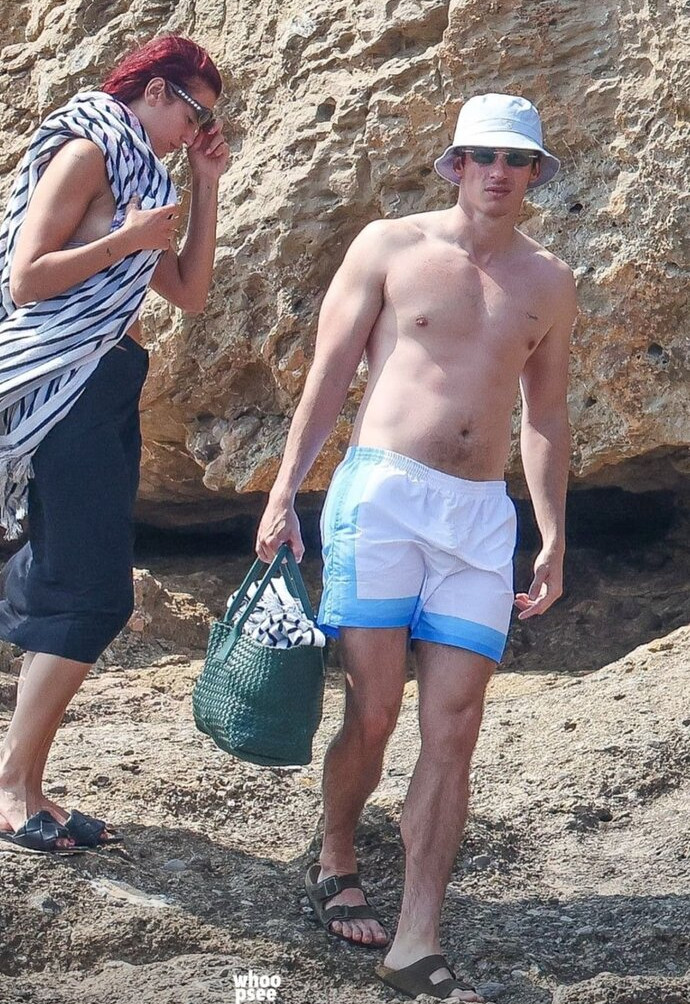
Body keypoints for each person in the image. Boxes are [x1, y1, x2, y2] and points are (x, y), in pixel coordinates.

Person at [0, 36, 230, 852]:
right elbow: (27, 279)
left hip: (108, 384)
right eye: (194, 114)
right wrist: (126, 241)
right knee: (95, 594)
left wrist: (205, 186)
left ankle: (24, 786)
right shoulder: (89, 152)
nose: (195, 132)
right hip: (68, 386)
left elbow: (190, 292)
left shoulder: (145, 175)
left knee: (76, 579)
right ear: (157, 91)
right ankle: (6, 779)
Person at [256, 94, 575, 1000]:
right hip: (383, 497)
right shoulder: (389, 246)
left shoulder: (550, 281)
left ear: (535, 173)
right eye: (484, 156)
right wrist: (285, 490)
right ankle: (336, 852)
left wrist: (553, 533)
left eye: (517, 160)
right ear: (457, 163)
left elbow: (545, 415)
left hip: (479, 517)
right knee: (375, 710)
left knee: (456, 726)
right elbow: (328, 377)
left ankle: (415, 940)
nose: (500, 172)